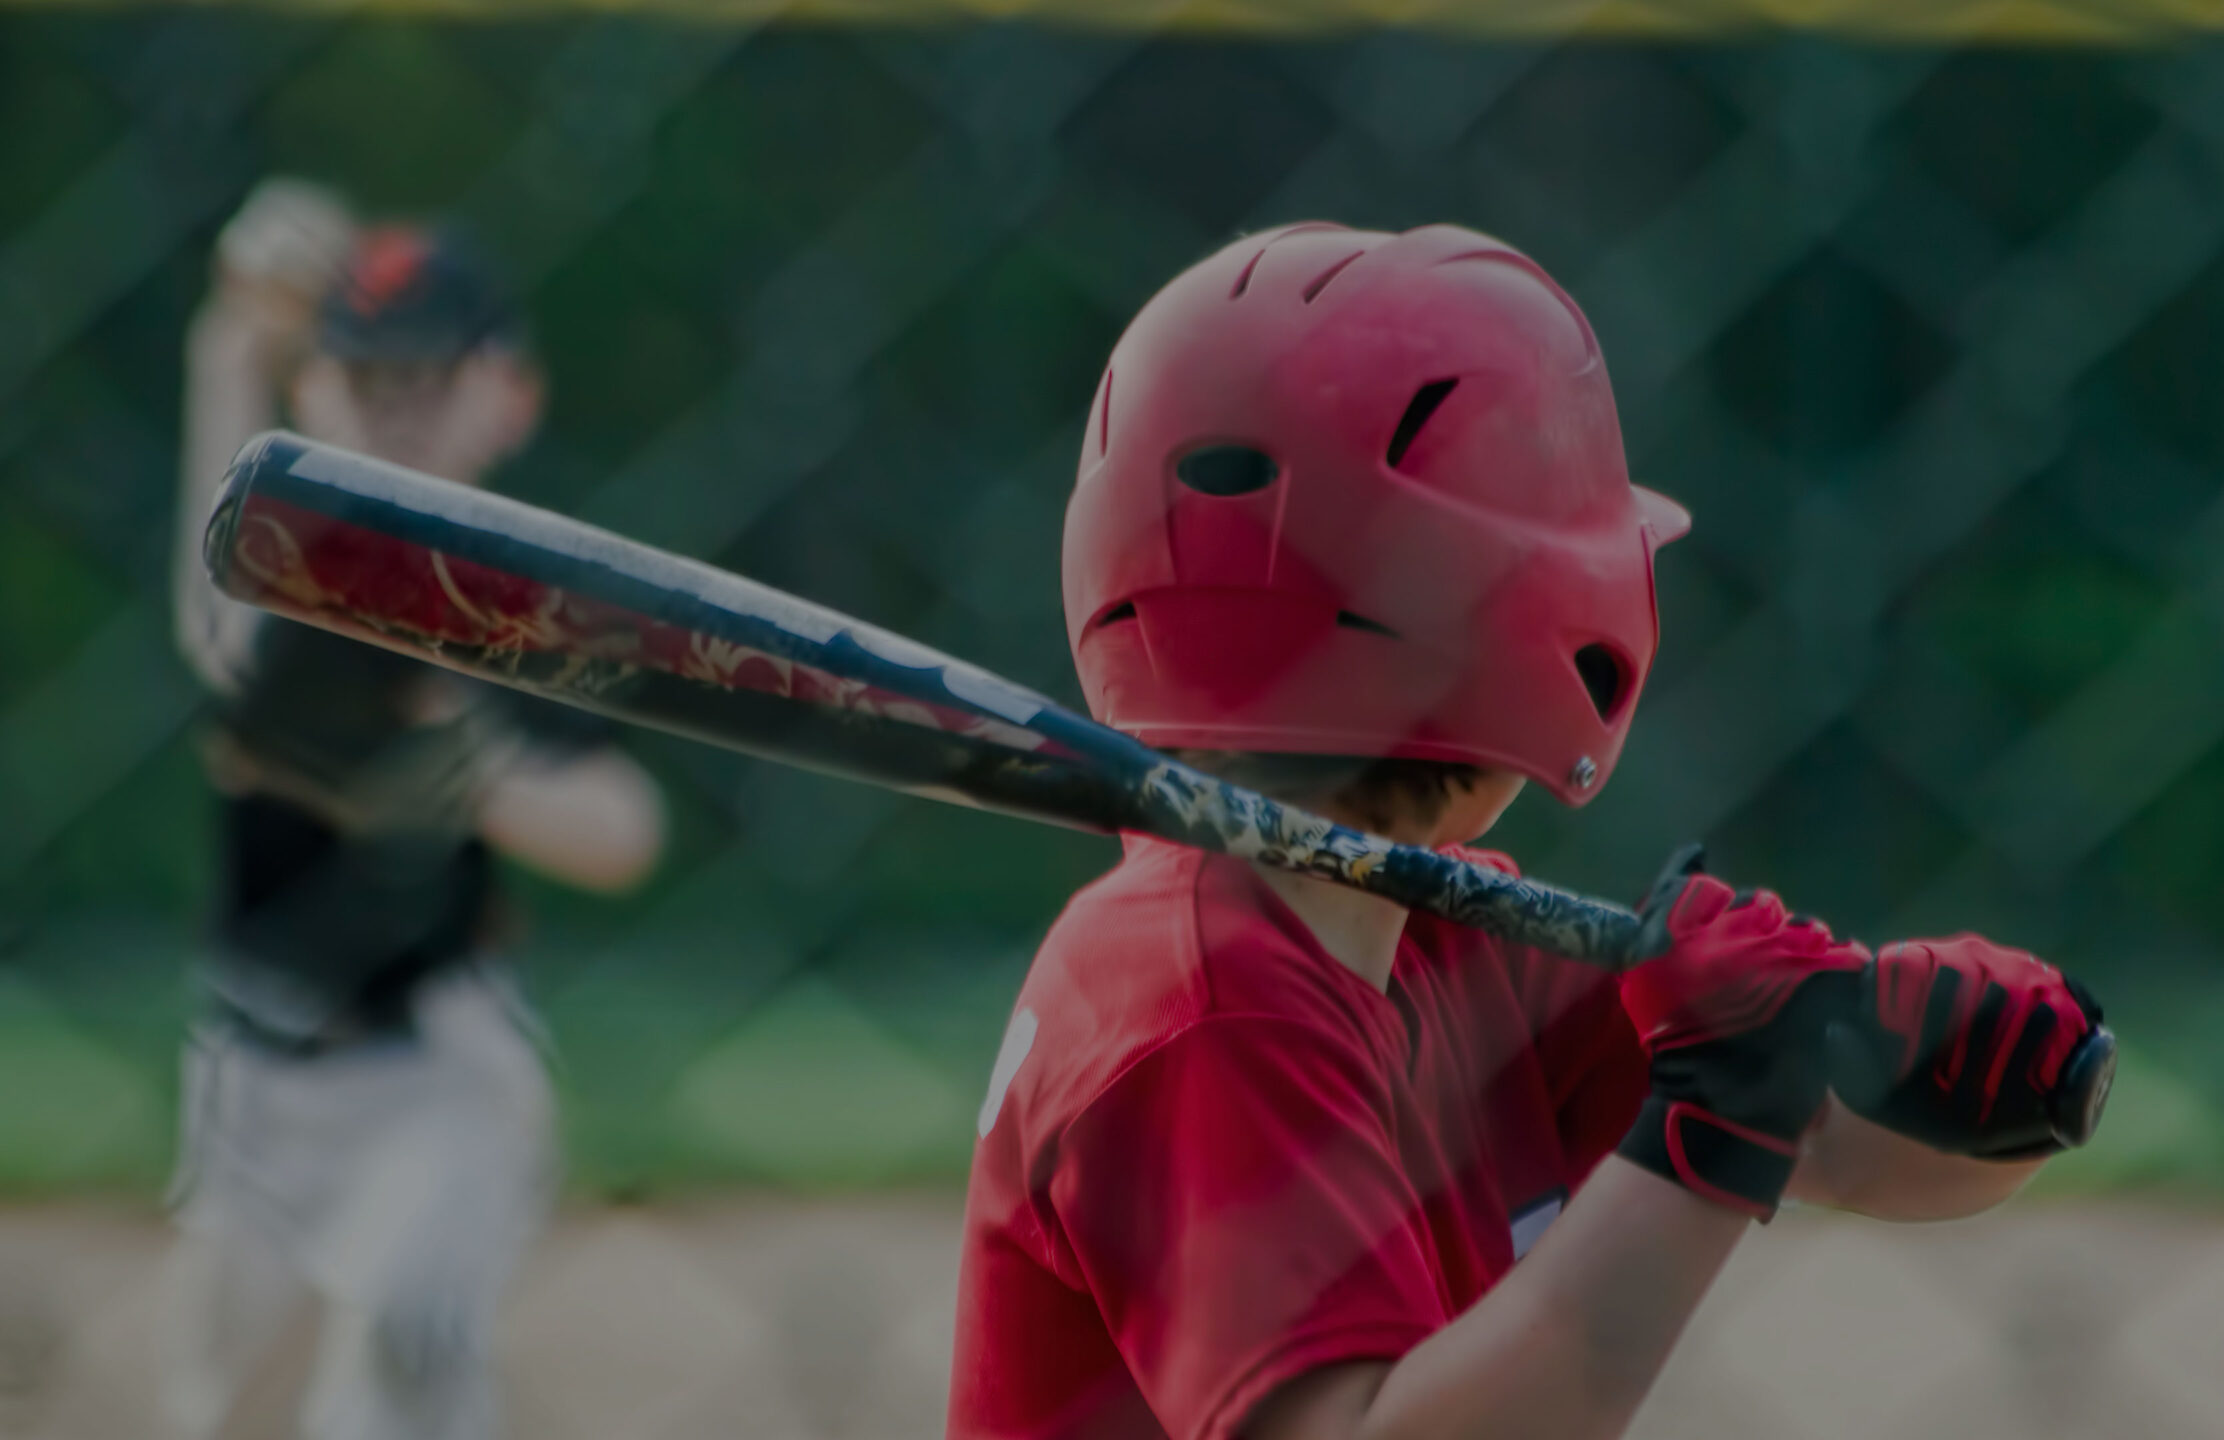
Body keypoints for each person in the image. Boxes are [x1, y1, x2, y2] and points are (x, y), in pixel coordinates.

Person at [948, 223, 2108, 1440]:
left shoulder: (1454, 936)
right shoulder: (1201, 1000)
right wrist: (1717, 1111)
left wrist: (1933, 1062)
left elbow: (1832, 1149)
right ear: (1528, 607)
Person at [161, 179, 666, 1440]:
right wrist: (230, 343)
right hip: (253, 1061)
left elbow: (623, 828)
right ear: (308, 389)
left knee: (405, 1355)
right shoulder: (290, 559)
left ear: (510, 396)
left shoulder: (527, 591)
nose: (391, 411)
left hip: (440, 1063)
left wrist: (472, 774)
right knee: (226, 1409)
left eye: (424, 380)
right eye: (362, 376)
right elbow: (220, 632)